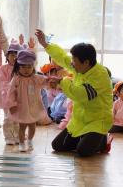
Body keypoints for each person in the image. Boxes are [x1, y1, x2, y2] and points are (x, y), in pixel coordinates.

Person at [35, 29, 113, 157]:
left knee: (83, 151)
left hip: (98, 121)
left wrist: (62, 81)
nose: (72, 63)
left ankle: (103, 139)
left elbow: (81, 95)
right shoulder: (80, 67)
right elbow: (62, 57)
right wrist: (45, 45)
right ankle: (85, 138)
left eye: (74, 60)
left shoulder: (100, 76)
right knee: (57, 146)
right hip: (79, 120)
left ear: (86, 62)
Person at [4, 50, 49, 152]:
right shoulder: (16, 79)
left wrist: (54, 80)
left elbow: (46, 81)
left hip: (33, 107)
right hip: (22, 107)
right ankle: (21, 143)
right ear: (18, 67)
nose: (26, 70)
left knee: (32, 126)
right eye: (23, 67)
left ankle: (30, 140)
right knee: (22, 126)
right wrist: (11, 104)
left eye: (29, 66)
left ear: (33, 66)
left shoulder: (36, 78)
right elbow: (10, 93)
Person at [0, 42, 23, 145]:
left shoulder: (22, 68)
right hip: (7, 98)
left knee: (18, 118)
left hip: (19, 98)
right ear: (7, 56)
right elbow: (2, 82)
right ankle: (8, 137)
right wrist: (12, 87)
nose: (14, 57)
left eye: (17, 54)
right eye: (12, 54)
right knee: (8, 118)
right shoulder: (3, 68)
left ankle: (17, 136)